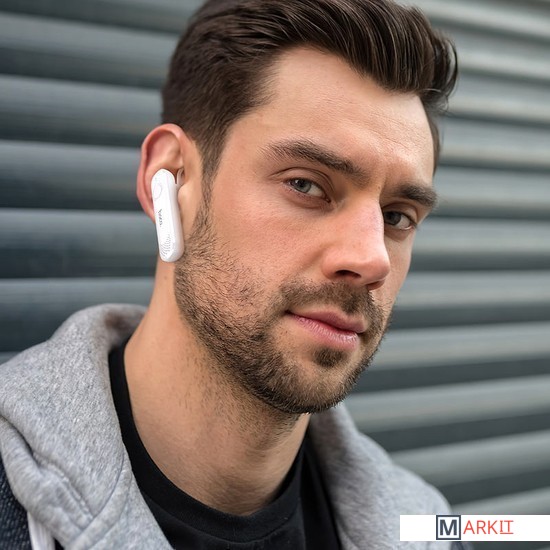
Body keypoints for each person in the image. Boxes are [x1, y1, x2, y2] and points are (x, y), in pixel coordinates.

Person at [0, 0, 460, 548]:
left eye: (397, 217)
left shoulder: (430, 526)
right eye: (306, 185)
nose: (372, 258)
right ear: (170, 178)